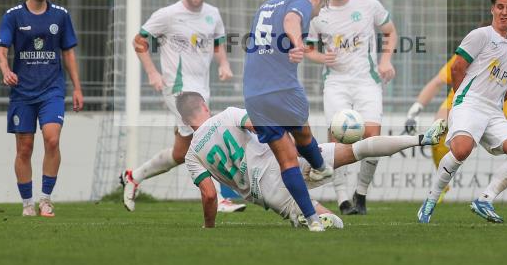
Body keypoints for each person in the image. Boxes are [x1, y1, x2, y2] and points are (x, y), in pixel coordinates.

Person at [176, 92, 434, 228]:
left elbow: (209, 196)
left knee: (335, 225)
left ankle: (303, 218)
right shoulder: (229, 115)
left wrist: (209, 226)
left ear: (186, 120)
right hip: (286, 159)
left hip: (269, 191)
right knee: (358, 149)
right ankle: (420, 138)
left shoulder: (191, 156)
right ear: (204, 105)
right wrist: (296, 143)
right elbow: (261, 127)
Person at [121, 0, 237, 211]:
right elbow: (138, 41)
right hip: (177, 89)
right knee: (206, 135)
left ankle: (134, 177)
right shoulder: (168, 14)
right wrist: (152, 72)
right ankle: (219, 197)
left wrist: (224, 64)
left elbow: (217, 44)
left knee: (180, 153)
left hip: (202, 89)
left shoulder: (212, 14)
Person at [416, 0, 507, 224]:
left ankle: (485, 200)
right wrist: (462, 99)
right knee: (461, 150)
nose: (504, 12)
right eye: (500, 7)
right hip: (469, 102)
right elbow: (457, 68)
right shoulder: (480, 35)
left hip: (494, 112)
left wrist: (496, 104)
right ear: (492, 10)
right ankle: (430, 201)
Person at [242, 0, 334, 232]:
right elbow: (292, 19)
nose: (316, 13)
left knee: (287, 160)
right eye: (320, 7)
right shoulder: (302, 3)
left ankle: (313, 221)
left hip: (254, 93)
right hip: (281, 88)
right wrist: (297, 44)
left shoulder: (266, 5)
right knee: (303, 136)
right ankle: (320, 166)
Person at [404, 58, 507, 205]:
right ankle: (441, 186)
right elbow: (437, 82)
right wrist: (414, 111)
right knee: (436, 134)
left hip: (497, 103)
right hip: (462, 98)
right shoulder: (469, 52)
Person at [305, 0, 397, 215]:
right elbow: (308, 48)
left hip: (367, 82)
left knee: (374, 138)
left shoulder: (368, 4)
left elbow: (390, 31)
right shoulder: (319, 13)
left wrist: (386, 60)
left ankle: (361, 194)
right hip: (335, 84)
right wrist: (321, 58)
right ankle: (343, 199)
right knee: (336, 143)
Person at [0, 0, 83, 217]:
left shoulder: (60, 15)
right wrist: (6, 71)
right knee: (24, 148)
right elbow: (1, 51)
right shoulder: (13, 16)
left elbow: (68, 53)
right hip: (22, 92)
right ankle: (27, 203)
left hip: (52, 90)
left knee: (52, 139)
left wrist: (77, 88)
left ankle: (46, 199)